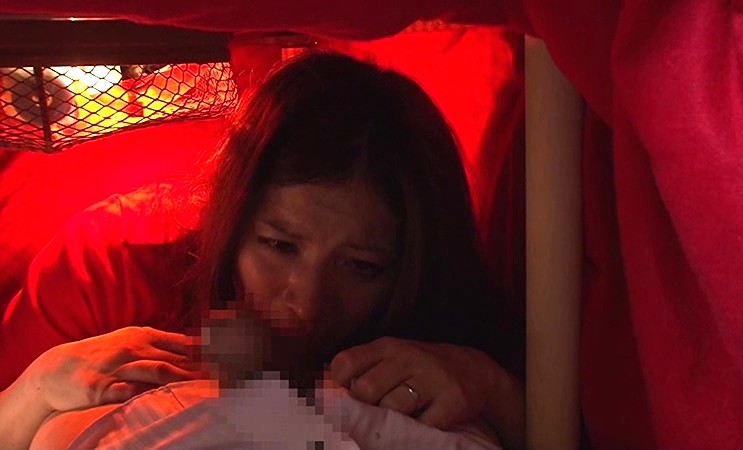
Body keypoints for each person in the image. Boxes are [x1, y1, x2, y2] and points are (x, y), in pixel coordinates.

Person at [0, 51, 524, 449]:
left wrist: (494, 390)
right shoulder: (112, 263)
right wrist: (36, 389)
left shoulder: (439, 307)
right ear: (230, 213)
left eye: (361, 266)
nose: (308, 301)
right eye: (279, 245)